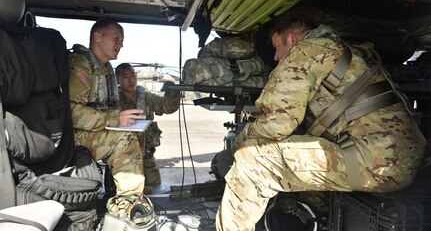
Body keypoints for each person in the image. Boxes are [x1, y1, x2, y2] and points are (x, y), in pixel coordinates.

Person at [215, 16, 426, 231]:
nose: (277, 57)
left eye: (277, 47)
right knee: (299, 162)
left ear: (292, 38)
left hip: (379, 164)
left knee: (253, 161)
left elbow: (277, 123)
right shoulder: (342, 51)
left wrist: (243, 139)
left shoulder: (306, 52)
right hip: (404, 158)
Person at [68, 19, 154, 227]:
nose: (120, 44)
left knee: (134, 133)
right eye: (116, 39)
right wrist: (115, 120)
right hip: (71, 134)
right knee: (124, 140)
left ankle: (125, 196)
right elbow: (71, 112)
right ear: (98, 37)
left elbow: (109, 106)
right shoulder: (81, 64)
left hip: (92, 130)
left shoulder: (106, 70)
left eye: (122, 41)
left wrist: (126, 119)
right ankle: (128, 205)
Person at [115, 63, 181, 190]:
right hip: (120, 159)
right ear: (118, 79)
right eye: (125, 77)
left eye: (133, 76)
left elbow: (166, 107)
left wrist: (172, 92)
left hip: (146, 158)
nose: (131, 80)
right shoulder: (113, 99)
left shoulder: (146, 96)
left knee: (155, 192)